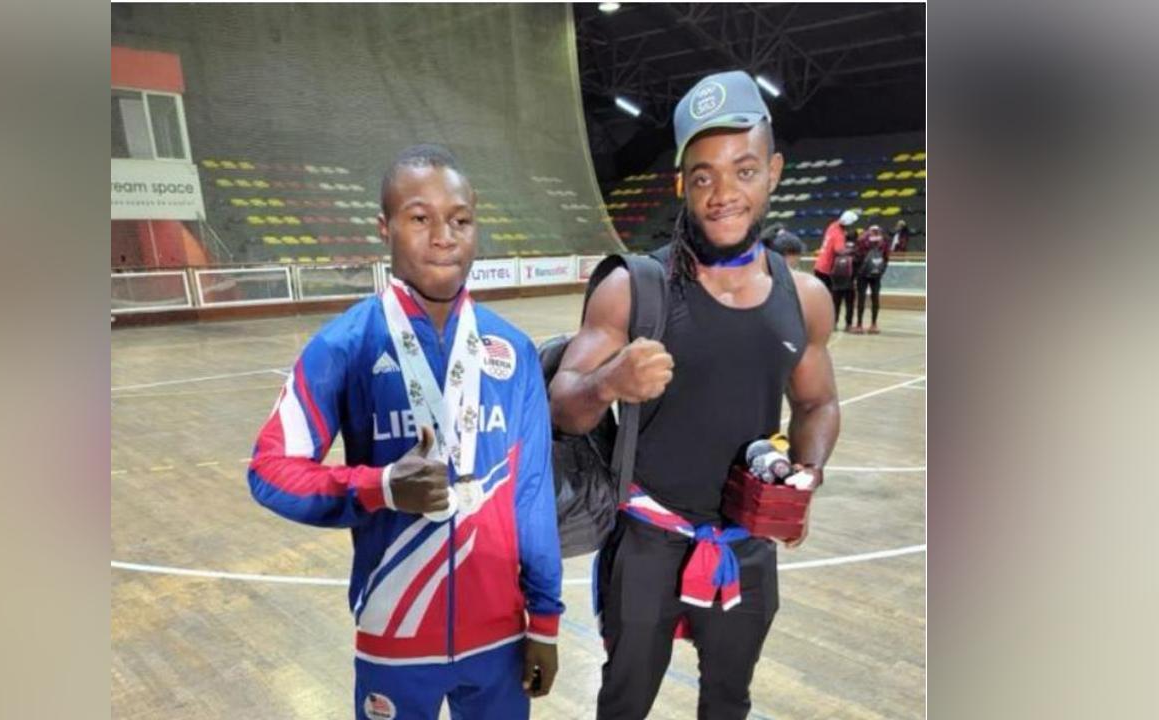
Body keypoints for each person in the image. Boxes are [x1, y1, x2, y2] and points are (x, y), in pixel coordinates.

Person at [549, 70, 840, 720]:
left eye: (744, 170)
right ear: (681, 183)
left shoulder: (806, 299)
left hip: (746, 541)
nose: (723, 194)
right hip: (647, 539)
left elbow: (817, 404)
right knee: (624, 703)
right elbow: (562, 405)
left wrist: (808, 473)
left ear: (773, 172)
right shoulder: (634, 287)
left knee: (729, 701)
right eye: (703, 176)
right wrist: (608, 382)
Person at [247, 144, 563, 720]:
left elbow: (532, 494)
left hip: (500, 636)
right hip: (394, 631)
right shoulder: (345, 345)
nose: (444, 237)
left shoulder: (513, 351)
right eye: (420, 218)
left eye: (460, 220)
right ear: (384, 227)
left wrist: (544, 620)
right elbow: (269, 471)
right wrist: (382, 487)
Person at [815, 210, 859, 331]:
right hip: (827, 269)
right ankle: (826, 322)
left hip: (819, 265)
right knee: (829, 299)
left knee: (826, 297)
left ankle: (826, 322)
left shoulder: (832, 226)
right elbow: (839, 250)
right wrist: (854, 250)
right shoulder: (839, 235)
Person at [854, 224, 892, 334]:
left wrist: (858, 271)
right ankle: (874, 324)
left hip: (863, 274)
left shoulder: (862, 240)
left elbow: (857, 256)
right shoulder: (884, 242)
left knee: (861, 298)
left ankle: (859, 325)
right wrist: (881, 271)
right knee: (875, 298)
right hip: (876, 274)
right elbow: (886, 258)